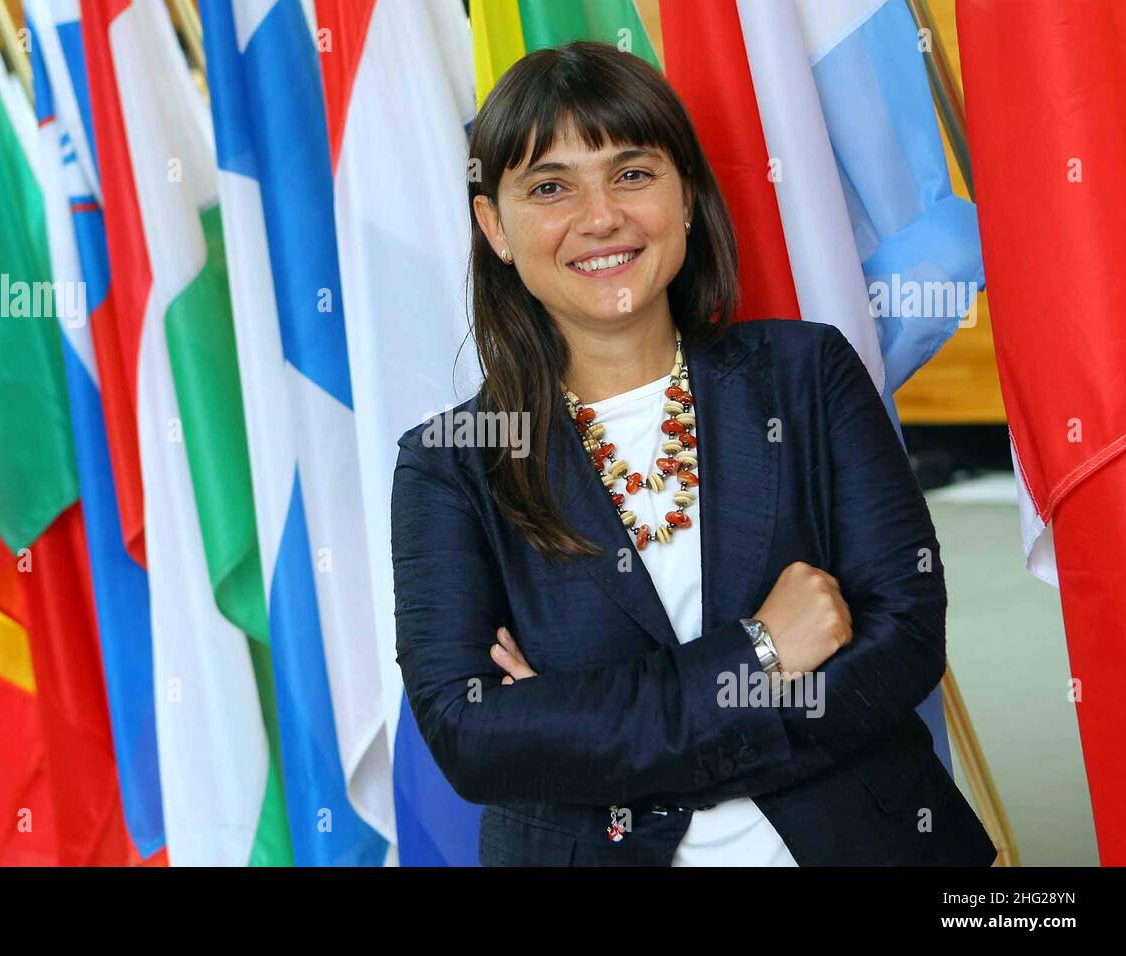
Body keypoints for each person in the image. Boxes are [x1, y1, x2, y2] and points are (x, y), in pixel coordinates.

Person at [390, 40, 996, 867]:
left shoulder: (808, 376)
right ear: (494, 225)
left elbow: (905, 644)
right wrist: (760, 650)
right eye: (550, 187)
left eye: (633, 174)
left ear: (686, 198)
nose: (601, 217)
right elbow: (474, 738)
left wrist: (585, 730)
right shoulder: (451, 464)